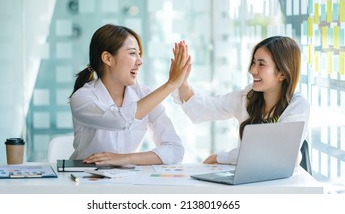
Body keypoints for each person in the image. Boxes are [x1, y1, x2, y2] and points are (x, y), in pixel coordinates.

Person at [173, 36, 310, 165]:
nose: (252, 70)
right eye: (254, 62)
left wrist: (220, 158)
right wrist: (181, 82)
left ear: (282, 74)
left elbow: (275, 152)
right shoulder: (248, 97)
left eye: (261, 64)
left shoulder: (298, 106)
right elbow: (204, 108)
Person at [69, 24, 191, 166]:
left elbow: (175, 149)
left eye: (140, 54)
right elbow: (120, 120)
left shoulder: (144, 94)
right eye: (133, 53)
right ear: (108, 58)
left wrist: (126, 159)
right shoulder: (82, 98)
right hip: (85, 181)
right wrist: (170, 85)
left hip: (128, 182)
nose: (140, 61)